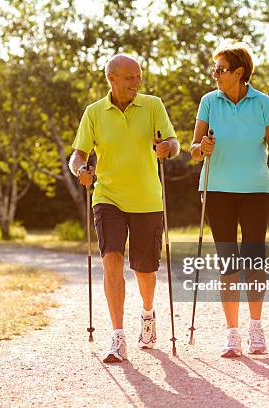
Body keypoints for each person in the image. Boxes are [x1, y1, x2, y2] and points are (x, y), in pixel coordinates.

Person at [69, 54, 180, 363]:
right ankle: (117, 336)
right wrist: (80, 171)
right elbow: (77, 155)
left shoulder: (153, 105)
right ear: (112, 79)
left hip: (147, 199)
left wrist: (167, 148)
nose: (137, 82)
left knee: (145, 271)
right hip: (108, 196)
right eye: (130, 77)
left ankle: (147, 314)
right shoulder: (94, 113)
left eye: (139, 76)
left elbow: (174, 142)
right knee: (111, 259)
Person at [190, 41, 269, 357]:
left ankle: (255, 328)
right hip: (217, 189)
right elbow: (193, 149)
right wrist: (201, 149)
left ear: (239, 72)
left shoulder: (263, 103)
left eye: (220, 69)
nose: (214, 74)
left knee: (255, 259)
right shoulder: (209, 102)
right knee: (228, 261)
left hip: (258, 190)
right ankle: (232, 334)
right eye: (214, 69)